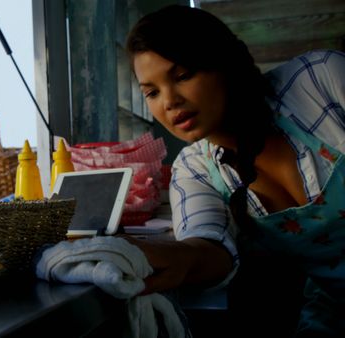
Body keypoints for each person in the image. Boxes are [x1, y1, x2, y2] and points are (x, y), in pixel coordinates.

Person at [125, 5, 345, 338]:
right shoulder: (194, 168)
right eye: (152, 92)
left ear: (223, 63)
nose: (169, 101)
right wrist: (178, 258)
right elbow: (210, 247)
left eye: (183, 75)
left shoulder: (319, 80)